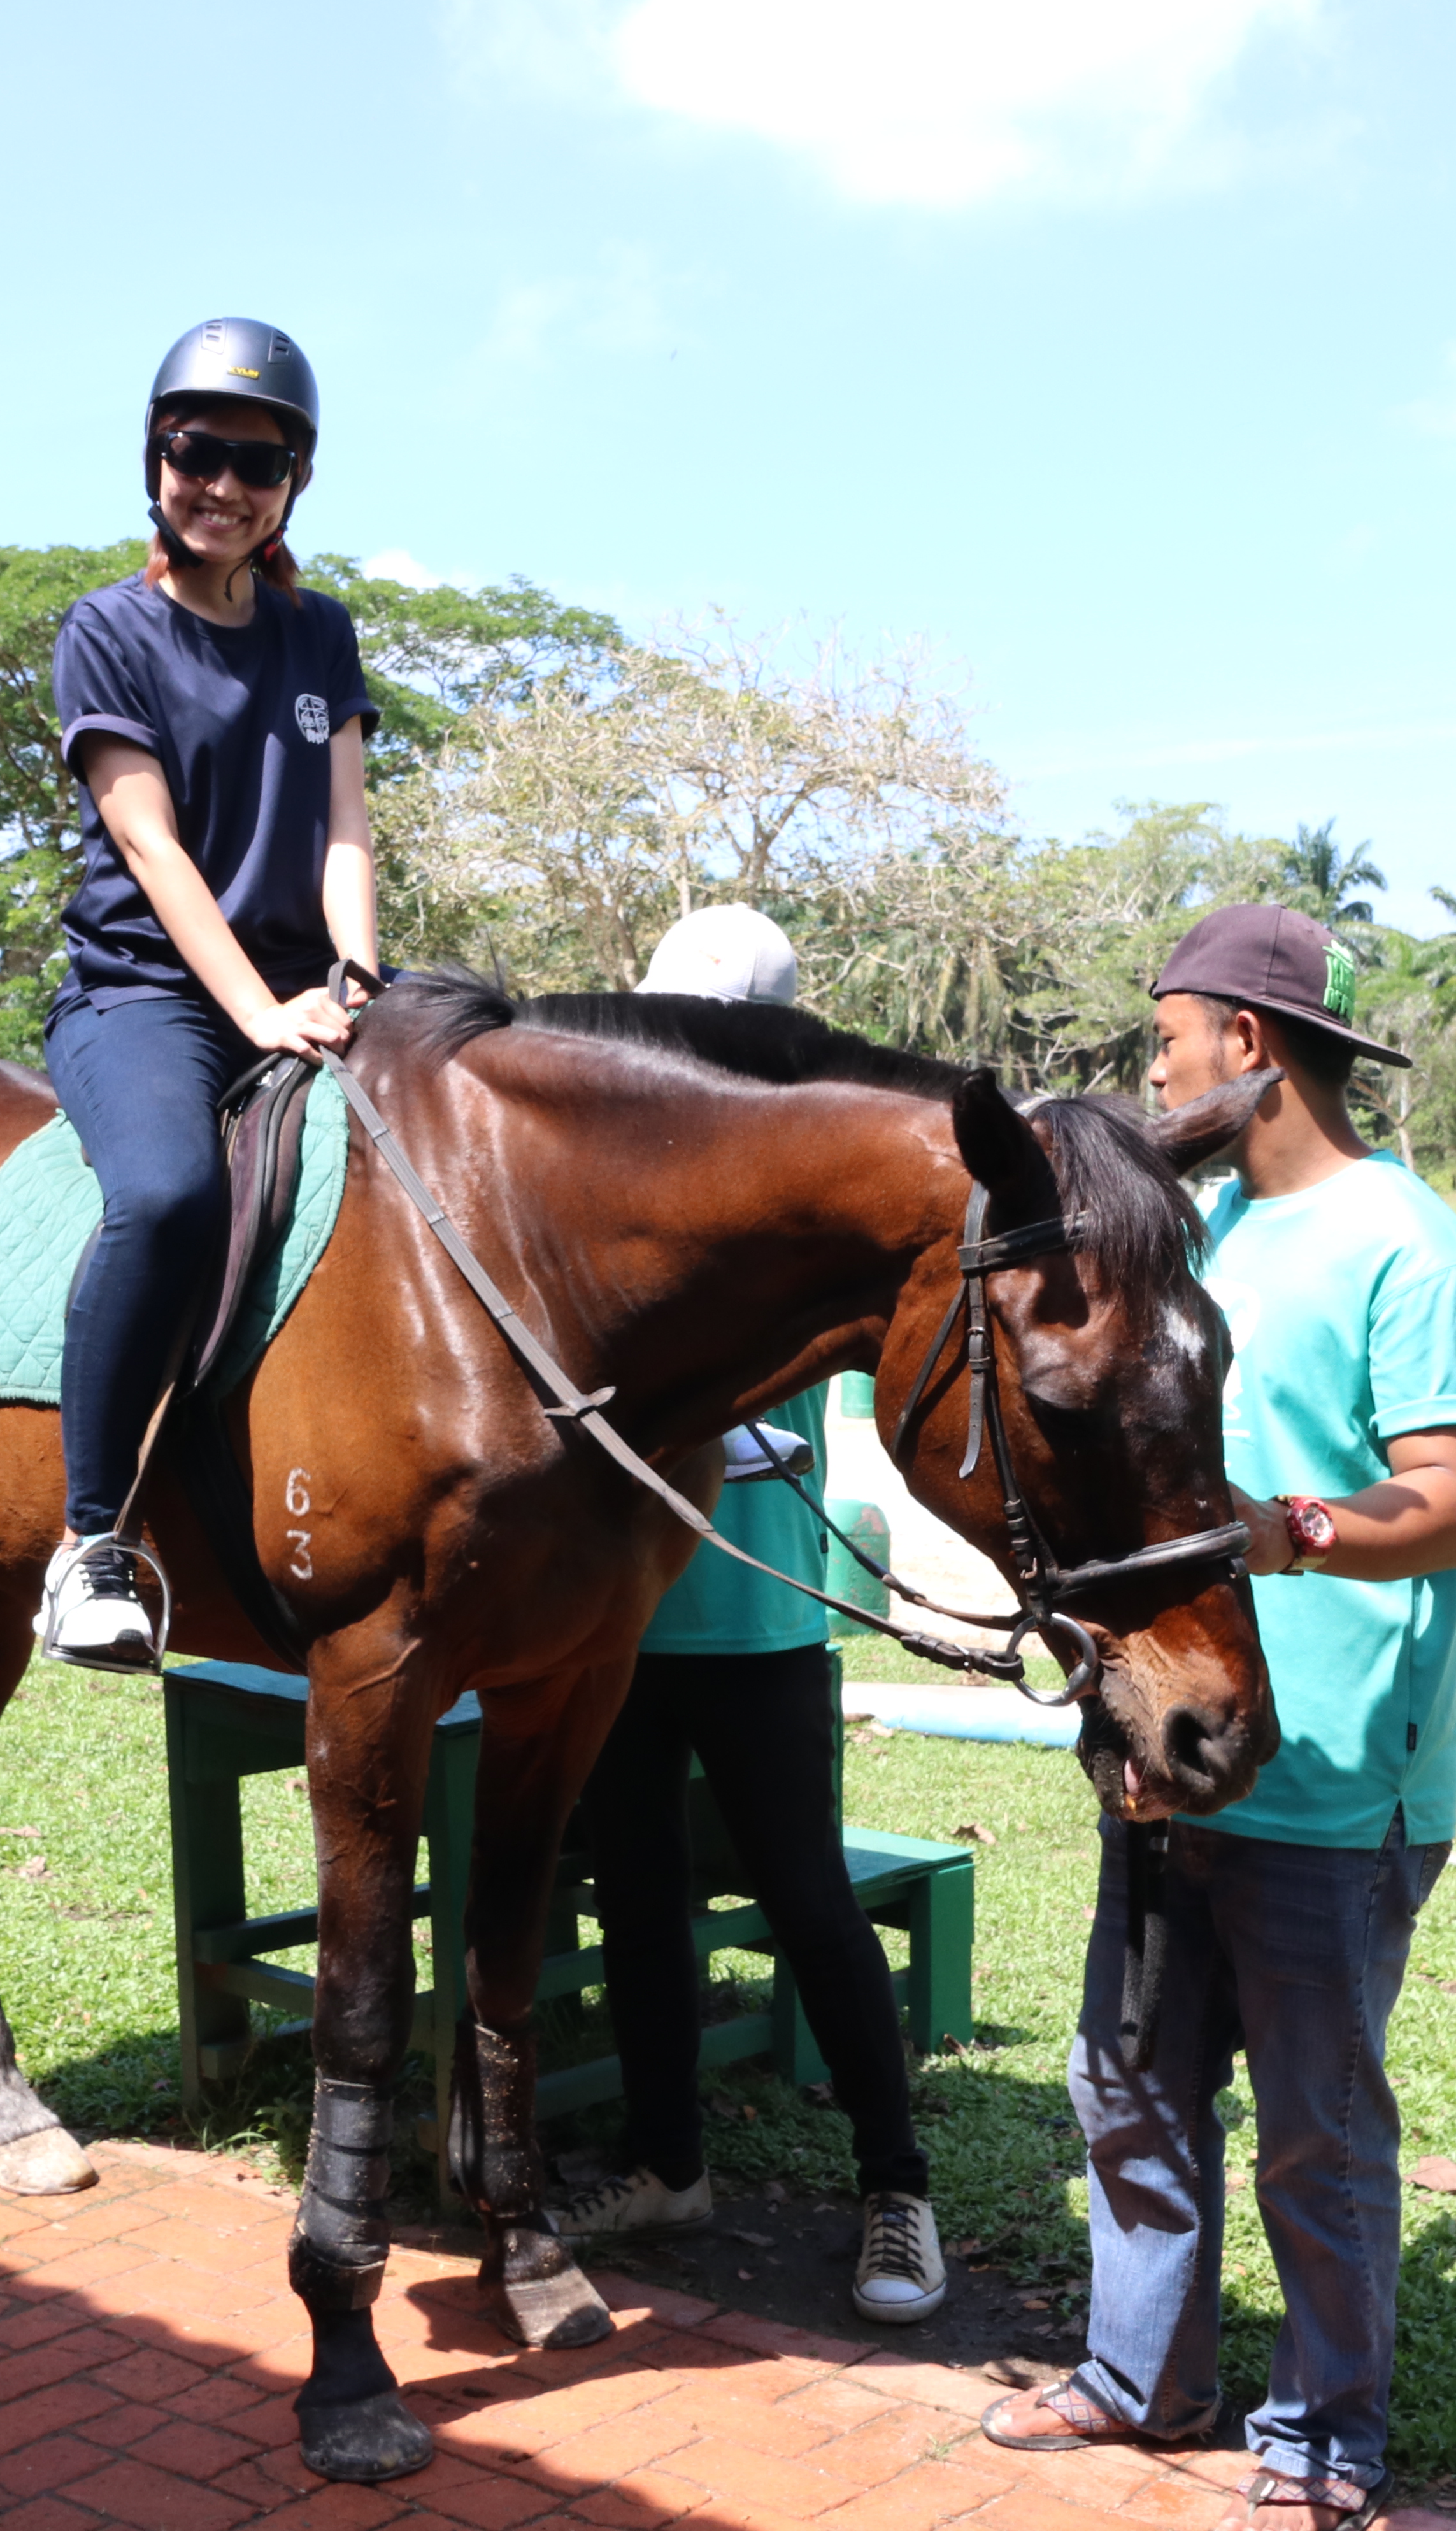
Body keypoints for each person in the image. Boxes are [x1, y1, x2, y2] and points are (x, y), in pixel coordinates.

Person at [982, 904, 1456, 2530]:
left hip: (1337, 1781)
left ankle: (1329, 2434)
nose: (1155, 1063)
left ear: (1250, 1044)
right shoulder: (1188, 1232)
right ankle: (1148, 2376)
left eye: (1168, 1033)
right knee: (1125, 2079)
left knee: (1315, 2132)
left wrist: (1298, 1531)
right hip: (1171, 1740)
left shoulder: (1414, 1249)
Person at [550, 905, 948, 2329]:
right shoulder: (610, 1167)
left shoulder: (803, 1185)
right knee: (639, 1898)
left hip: (759, 1617)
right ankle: (666, 2163)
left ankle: (896, 2182)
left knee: (808, 1903)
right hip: (619, 1616)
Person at [35, 317, 380, 1669]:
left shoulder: (320, 635)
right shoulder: (108, 632)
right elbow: (151, 846)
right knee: (172, 1192)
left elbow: (346, 828)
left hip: (307, 982)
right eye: (197, 452)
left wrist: (356, 975)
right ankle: (91, 1546)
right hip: (147, 995)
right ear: (154, 461)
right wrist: (259, 1013)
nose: (222, 484)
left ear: (293, 482)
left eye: (256, 460)